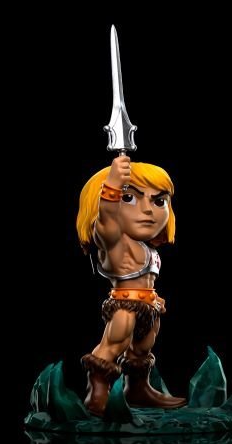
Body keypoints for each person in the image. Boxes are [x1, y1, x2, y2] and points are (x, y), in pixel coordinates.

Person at [76, 156, 186, 416]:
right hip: (124, 305)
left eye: (158, 201)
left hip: (148, 305)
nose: (148, 210)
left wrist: (154, 299)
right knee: (114, 344)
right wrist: (112, 186)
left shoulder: (146, 248)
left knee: (142, 348)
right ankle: (97, 393)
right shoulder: (115, 241)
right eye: (130, 198)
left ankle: (137, 389)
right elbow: (107, 219)